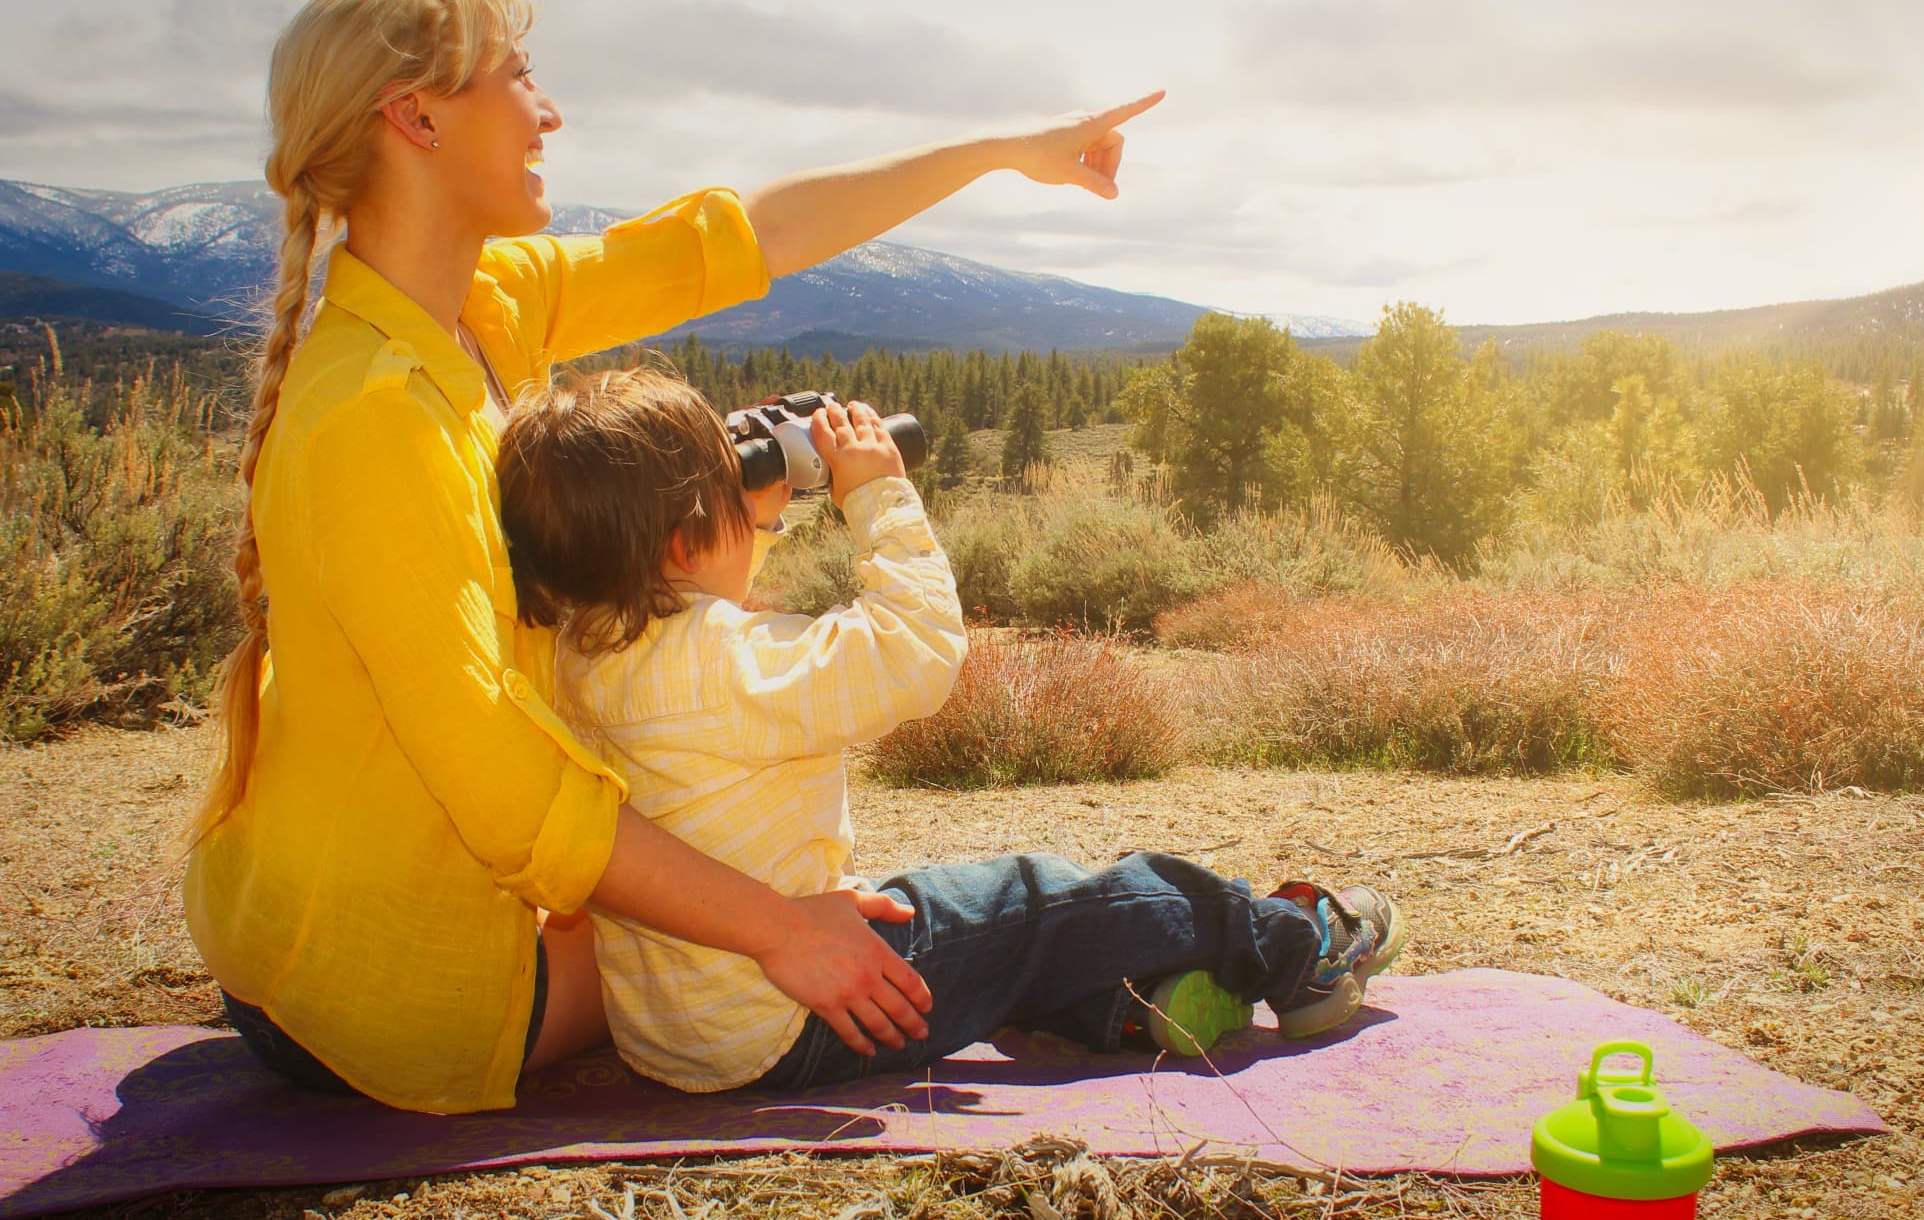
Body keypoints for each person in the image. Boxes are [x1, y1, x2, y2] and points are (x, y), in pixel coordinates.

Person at [180, 0, 1169, 1113]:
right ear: (415, 115)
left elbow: (743, 234)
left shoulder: (486, 307)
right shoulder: (369, 416)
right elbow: (501, 789)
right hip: (380, 978)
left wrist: (1002, 150)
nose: (548, 110)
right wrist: (771, 925)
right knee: (815, 954)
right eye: (517, 76)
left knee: (791, 912)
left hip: (344, 922)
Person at [496, 367, 1408, 1092]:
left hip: (685, 1030)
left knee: (960, 923)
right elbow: (915, 651)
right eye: (732, 499)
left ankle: (1129, 1007)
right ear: (688, 537)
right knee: (1040, 895)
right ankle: (1299, 949)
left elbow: (694, 578)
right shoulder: (730, 662)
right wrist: (876, 497)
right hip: (799, 1014)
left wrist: (736, 497)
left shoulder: (581, 656)